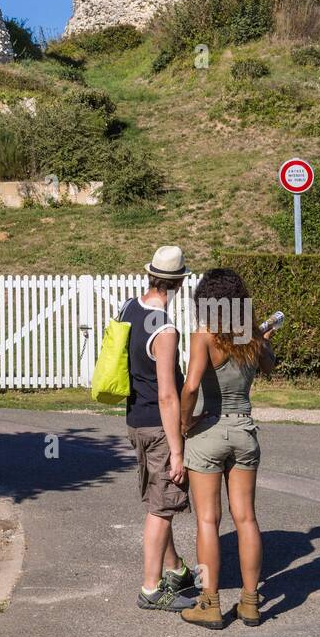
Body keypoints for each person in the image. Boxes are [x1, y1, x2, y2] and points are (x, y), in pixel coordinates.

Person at [179, 268, 275, 630]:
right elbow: (269, 365)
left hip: (211, 429)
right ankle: (250, 603)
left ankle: (210, 602)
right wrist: (264, 338)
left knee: (208, 519)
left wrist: (185, 424)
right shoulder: (251, 337)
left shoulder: (204, 335)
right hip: (245, 429)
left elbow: (190, 388)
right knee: (246, 517)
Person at [125, 245, 197, 611]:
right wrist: (178, 452)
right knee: (162, 507)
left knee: (158, 500)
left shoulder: (130, 307)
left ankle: (175, 569)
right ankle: (151, 589)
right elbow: (169, 395)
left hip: (135, 419)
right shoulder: (165, 329)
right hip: (158, 424)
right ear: (179, 283)